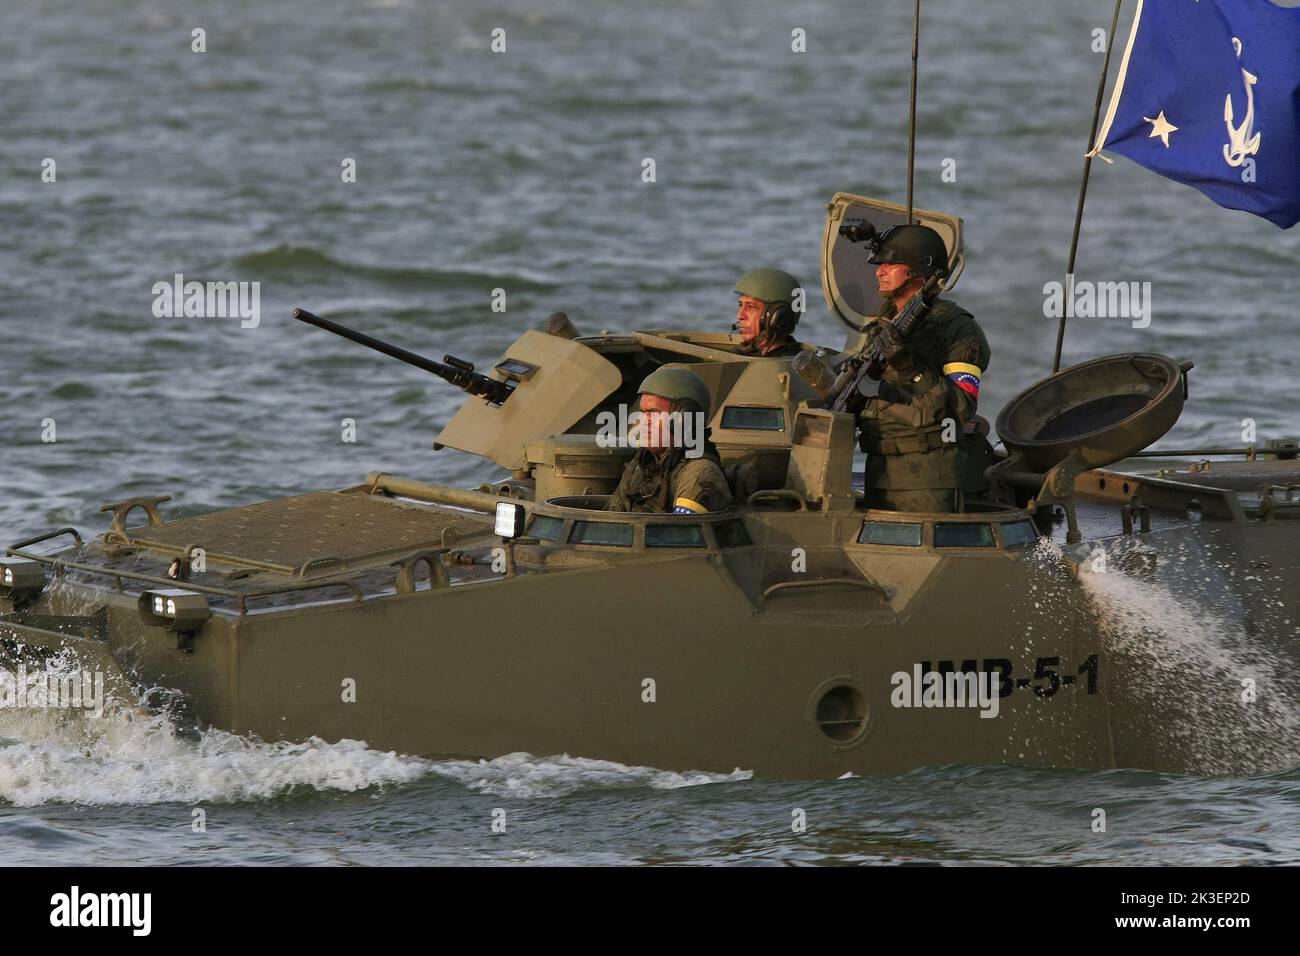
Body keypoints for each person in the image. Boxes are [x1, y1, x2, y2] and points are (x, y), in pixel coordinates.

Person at [854, 225, 991, 513]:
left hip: (928, 478)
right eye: (880, 264)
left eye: (890, 264)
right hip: (880, 468)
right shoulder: (885, 323)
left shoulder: (956, 329)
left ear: (918, 269)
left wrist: (909, 367)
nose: (880, 271)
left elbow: (961, 407)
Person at [604, 368, 733, 514]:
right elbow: (612, 517)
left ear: (684, 419)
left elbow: (682, 534)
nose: (643, 421)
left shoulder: (699, 473)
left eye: (654, 413)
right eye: (643, 412)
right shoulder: (640, 465)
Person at [733, 268, 805, 357]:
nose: (739, 316)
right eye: (741, 305)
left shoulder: (789, 367)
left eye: (750, 307)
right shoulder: (745, 354)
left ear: (778, 317)